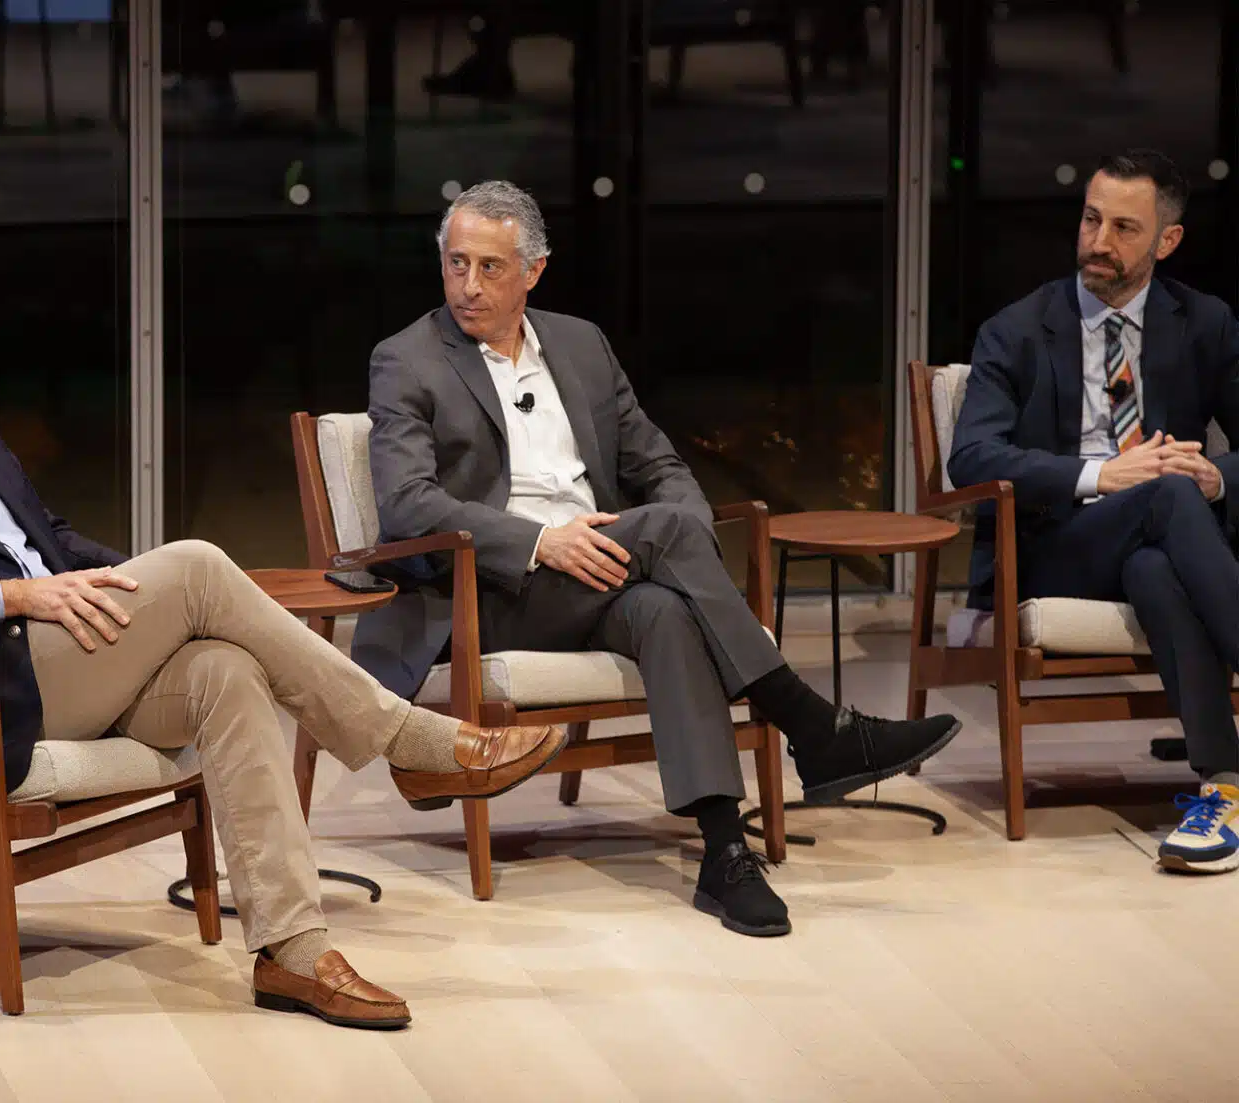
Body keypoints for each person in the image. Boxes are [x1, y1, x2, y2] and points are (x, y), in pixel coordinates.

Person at [0, 233, 568, 1028]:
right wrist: (17, 597)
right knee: (201, 567)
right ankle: (409, 741)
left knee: (224, 668)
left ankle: (293, 949)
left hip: (57, 659)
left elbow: (50, 538)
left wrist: (134, 588)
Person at [356, 181, 962, 938]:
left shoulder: (581, 345)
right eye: (456, 263)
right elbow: (408, 503)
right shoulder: (408, 359)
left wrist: (669, 540)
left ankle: (724, 854)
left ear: (534, 270)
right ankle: (814, 727)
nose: (468, 285)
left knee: (666, 607)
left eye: (489, 267)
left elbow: (662, 467)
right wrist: (543, 540)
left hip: (604, 577)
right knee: (668, 538)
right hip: (492, 591)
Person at [949, 149, 1239, 875]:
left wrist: (1216, 476)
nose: (1098, 241)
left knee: (1156, 560)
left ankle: (1225, 787)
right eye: (1090, 219)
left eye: (1124, 228)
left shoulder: (1205, 322)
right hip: (1054, 547)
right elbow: (973, 457)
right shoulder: (1016, 329)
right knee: (1162, 490)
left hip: (1165, 543)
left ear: (1167, 241)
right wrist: (1101, 474)